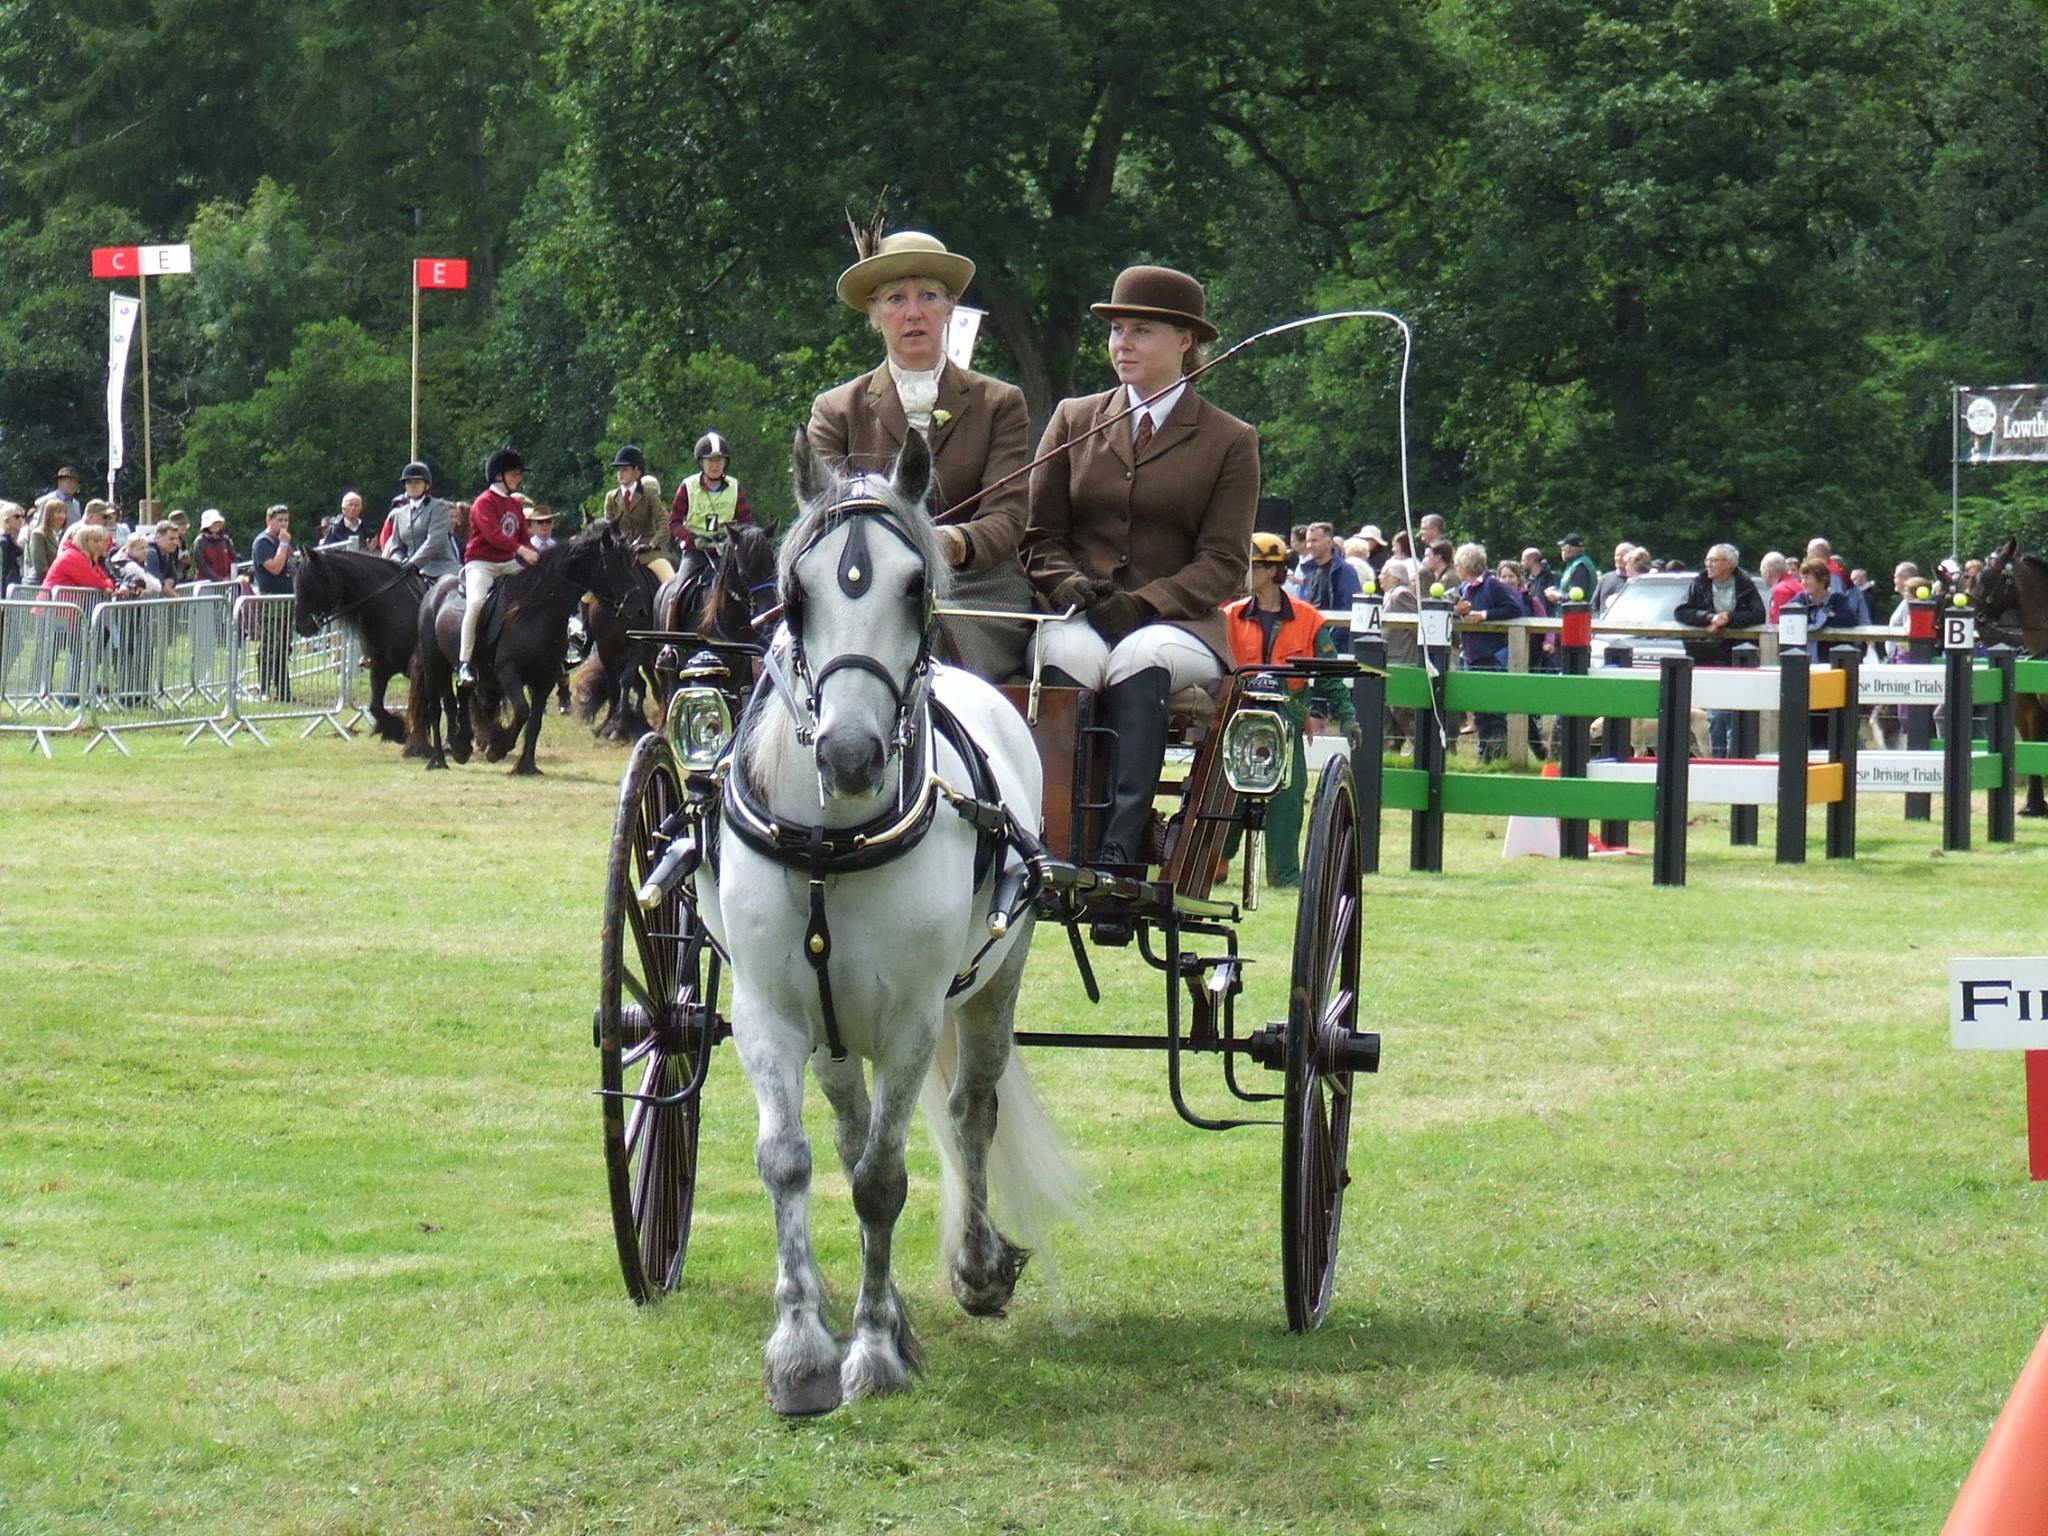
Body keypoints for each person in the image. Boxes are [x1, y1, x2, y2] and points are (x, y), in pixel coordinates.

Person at [1021, 263, 1258, 866]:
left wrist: (1143, 605)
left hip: (1181, 626)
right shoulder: (1074, 421)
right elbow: (1038, 537)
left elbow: (1224, 562)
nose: (1122, 344)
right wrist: (1072, 585)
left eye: (1141, 331)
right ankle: (1061, 836)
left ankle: (1121, 848)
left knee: (1139, 655)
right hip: (1079, 613)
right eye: (1117, 330)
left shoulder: (1229, 439)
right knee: (1066, 654)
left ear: (1185, 342)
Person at [808, 229, 1035, 681]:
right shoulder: (835, 410)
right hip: (864, 593)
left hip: (975, 591)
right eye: (895, 299)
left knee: (930, 647)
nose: (913, 313)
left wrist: (950, 543)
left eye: (928, 296)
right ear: (873, 314)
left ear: (950, 307)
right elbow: (821, 520)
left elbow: (1007, 518)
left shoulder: (1001, 403)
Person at [1218, 532, 1357, 887]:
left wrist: (1347, 715)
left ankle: (1283, 874)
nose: (1243, 573)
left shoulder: (1308, 620)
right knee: (1224, 791)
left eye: (1250, 565)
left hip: (1287, 721)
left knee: (1289, 796)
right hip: (1236, 718)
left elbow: (1327, 674)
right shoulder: (1228, 616)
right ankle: (1214, 862)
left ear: (1270, 570)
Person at [458, 449, 540, 689]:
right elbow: (493, 535)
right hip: (482, 563)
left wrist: (533, 554)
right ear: (498, 476)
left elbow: (523, 536)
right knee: (476, 604)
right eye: (514, 474)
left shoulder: (514, 505)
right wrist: (521, 551)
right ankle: (465, 662)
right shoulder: (483, 503)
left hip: (508, 563)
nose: (519, 479)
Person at [1675, 543, 1766, 755]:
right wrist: (1708, 617)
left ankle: (1738, 757)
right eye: (1707, 560)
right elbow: (1681, 611)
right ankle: (1716, 756)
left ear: (1729, 564)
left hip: (1738, 655)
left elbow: (1757, 614)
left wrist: (1729, 618)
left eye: (1714, 560)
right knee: (1715, 713)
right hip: (1707, 653)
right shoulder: (1699, 583)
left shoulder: (1744, 584)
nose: (1709, 565)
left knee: (1737, 711)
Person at [1451, 542, 1522, 759]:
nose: (1456, 568)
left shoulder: (1492, 585)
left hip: (1491, 656)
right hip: (1471, 656)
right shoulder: (1464, 589)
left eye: (1457, 564)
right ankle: (1484, 757)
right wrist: (1457, 610)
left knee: (1495, 711)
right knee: (1479, 712)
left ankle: (1498, 756)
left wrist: (1485, 615)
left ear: (1465, 564)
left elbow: (1514, 608)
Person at [668, 431, 753, 575]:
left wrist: (735, 537)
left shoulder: (735, 487)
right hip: (696, 552)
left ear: (725, 462)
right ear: (701, 462)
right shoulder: (687, 486)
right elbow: (674, 522)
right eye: (710, 460)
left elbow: (746, 522)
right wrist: (690, 537)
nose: (715, 465)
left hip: (727, 551)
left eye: (719, 460)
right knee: (679, 589)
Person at [603, 446, 673, 582]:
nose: (620, 474)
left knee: (670, 581)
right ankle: (582, 604)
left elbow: (664, 524)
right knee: (591, 590)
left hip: (649, 553)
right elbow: (608, 528)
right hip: (621, 553)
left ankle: (673, 602)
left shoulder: (649, 494)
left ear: (637, 472)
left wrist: (652, 544)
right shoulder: (611, 497)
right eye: (618, 470)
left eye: (625, 469)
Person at [247, 505, 295, 698]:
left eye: (286, 520)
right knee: (270, 646)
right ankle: (265, 689)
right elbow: (274, 568)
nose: (283, 524)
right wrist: (283, 545)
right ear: (269, 520)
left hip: (287, 600)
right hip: (270, 602)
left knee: (284, 647)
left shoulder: (284, 542)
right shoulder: (263, 542)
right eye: (279, 520)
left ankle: (284, 690)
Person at [384, 461, 460, 580]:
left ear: (426, 485)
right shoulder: (399, 514)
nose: (413, 486)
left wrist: (413, 563)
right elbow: (396, 546)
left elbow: (434, 541)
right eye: (409, 482)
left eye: (417, 482)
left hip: (439, 568)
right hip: (408, 570)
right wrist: (396, 563)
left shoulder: (438, 507)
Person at [1380, 556, 1419, 753]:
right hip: (1392, 656)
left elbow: (1415, 627)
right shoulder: (1390, 595)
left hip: (1402, 656)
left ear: (1395, 578)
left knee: (1401, 706)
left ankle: (1420, 745)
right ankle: (1391, 750)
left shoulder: (1401, 594)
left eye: (1384, 574)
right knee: (1390, 708)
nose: (1380, 578)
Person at [1296, 520, 1361, 611]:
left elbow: (1349, 606)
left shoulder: (1344, 571)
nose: (1310, 545)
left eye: (1315, 541)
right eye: (1308, 541)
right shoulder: (1308, 570)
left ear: (1329, 543)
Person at [1548, 532, 1599, 609]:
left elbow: (1577, 597)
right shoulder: (1576, 563)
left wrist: (1557, 596)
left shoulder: (1579, 566)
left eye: (1562, 548)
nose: (1562, 551)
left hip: (1576, 616)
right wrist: (1558, 591)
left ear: (1569, 548)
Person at [192, 509, 236, 582]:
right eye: (214, 523)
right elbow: (202, 566)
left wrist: (231, 577)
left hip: (226, 581)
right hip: (206, 584)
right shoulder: (199, 542)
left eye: (218, 522)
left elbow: (233, 559)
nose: (216, 525)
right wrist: (218, 579)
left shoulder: (225, 540)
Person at [143, 519, 183, 593]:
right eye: (171, 539)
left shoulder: (168, 551)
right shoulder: (150, 552)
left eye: (176, 539)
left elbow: (173, 578)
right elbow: (155, 582)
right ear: (158, 537)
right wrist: (177, 600)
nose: (175, 543)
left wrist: (164, 585)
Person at [0, 501, 22, 595]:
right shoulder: (3, 542)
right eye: (17, 516)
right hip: (5, 591)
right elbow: (4, 572)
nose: (21, 519)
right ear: (7, 519)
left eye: (22, 516)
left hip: (13, 589)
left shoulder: (13, 542)